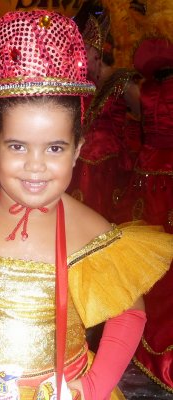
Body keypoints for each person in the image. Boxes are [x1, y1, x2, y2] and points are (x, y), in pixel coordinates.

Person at [0, 10, 172, 400]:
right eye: (17, 146)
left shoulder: (90, 230)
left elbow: (130, 314)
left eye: (54, 148)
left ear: (77, 152)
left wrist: (91, 388)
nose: (35, 166)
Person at [115, 37, 173, 392]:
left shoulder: (142, 89)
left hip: (147, 175)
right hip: (163, 179)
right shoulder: (143, 88)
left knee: (149, 258)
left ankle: (144, 337)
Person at [67, 14, 141, 222]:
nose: (79, 57)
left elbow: (142, 115)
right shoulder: (84, 85)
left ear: (96, 52)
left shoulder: (122, 81)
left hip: (110, 163)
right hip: (82, 161)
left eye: (84, 51)